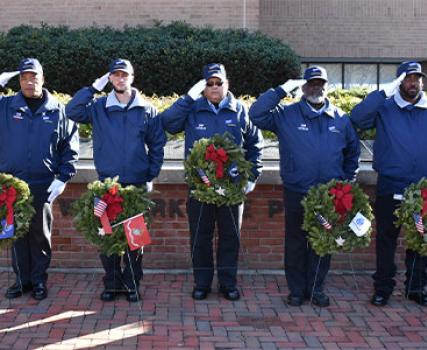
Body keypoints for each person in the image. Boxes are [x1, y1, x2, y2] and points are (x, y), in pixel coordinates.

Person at [249, 66, 360, 307]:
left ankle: (316, 289)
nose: (316, 87)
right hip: (297, 191)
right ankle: (297, 290)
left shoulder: (340, 118)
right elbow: (256, 114)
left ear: (327, 86)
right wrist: (281, 90)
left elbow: (353, 152)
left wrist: (347, 180)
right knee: (296, 242)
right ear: (303, 86)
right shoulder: (286, 114)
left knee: (323, 241)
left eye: (321, 83)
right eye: (311, 83)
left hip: (329, 196)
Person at [66, 59, 166, 302]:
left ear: (132, 77)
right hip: (107, 185)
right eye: (115, 75)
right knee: (106, 235)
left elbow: (157, 144)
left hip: (136, 185)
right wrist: (92, 88)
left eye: (125, 75)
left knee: (135, 239)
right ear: (109, 79)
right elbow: (71, 111)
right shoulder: (99, 107)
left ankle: (132, 283)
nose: (120, 79)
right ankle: (111, 283)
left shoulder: (146, 109)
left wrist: (150, 173)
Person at [161, 63, 263, 301]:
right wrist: (187, 98)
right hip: (200, 187)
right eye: (210, 83)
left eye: (219, 83)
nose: (214, 87)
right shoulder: (193, 109)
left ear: (227, 84)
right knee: (200, 237)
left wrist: (253, 175)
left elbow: (255, 145)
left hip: (232, 189)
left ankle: (228, 284)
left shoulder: (239, 110)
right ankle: (202, 283)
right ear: (203, 87)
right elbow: (168, 123)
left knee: (230, 238)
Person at [0, 58, 79, 300]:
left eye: (33, 77)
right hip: (12, 185)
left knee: (40, 234)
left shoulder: (59, 110)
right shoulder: (5, 106)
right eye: (24, 77)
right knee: (16, 234)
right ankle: (22, 281)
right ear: (19, 81)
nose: (29, 82)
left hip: (43, 183)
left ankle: (39, 281)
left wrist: (63, 177)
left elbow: (69, 147)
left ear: (43, 79)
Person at [351, 61, 427, 307]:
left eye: (417, 78)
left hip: (422, 189)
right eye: (408, 78)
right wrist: (385, 91)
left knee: (420, 238)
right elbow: (358, 118)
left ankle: (415, 287)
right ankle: (383, 288)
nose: (413, 82)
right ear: (399, 81)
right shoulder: (384, 107)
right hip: (391, 186)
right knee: (386, 239)